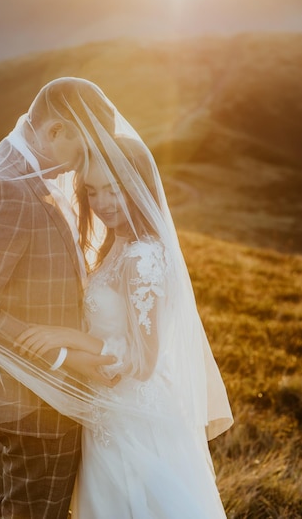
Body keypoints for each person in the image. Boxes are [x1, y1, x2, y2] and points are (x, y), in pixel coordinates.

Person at [15, 106, 234, 517]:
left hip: (136, 420)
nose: (102, 203)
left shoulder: (142, 257)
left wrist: (66, 337)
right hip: (108, 411)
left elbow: (145, 360)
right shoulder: (115, 246)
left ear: (138, 187)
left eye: (113, 189)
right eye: (93, 192)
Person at [0, 77, 121, 519]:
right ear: (55, 131)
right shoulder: (10, 187)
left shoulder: (32, 163)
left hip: (42, 400)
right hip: (38, 403)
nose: (84, 163)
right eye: (80, 148)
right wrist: (63, 359)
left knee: (11, 511)